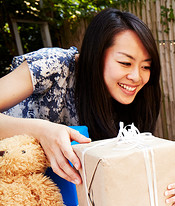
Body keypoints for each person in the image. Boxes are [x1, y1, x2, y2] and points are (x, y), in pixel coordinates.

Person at [0, 8, 161, 185]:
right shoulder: (54, 65)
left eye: (145, 66)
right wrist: (41, 130)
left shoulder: (133, 100)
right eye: (125, 63)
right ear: (96, 54)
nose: (137, 77)